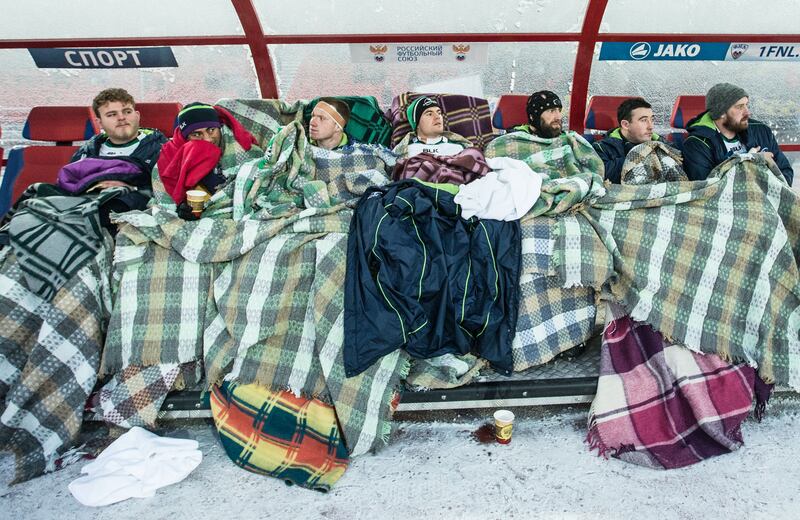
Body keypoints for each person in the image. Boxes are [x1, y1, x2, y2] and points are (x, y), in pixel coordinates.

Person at [156, 101, 262, 211]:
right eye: (196, 134)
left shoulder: (247, 151)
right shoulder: (169, 159)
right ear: (185, 138)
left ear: (219, 128)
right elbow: (163, 200)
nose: (207, 139)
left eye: (211, 130)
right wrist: (181, 208)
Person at [683, 83, 793, 184]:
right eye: (739, 107)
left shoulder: (761, 131)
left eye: (746, 105)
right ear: (720, 112)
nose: (747, 112)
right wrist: (750, 162)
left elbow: (785, 172)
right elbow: (706, 189)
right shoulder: (697, 144)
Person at [69, 87, 167, 190]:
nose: (121, 117)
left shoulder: (161, 149)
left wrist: (132, 189)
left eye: (127, 112)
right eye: (112, 114)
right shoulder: (86, 153)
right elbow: (69, 187)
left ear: (137, 116)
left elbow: (170, 194)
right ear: (100, 122)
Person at [593, 98, 661, 184]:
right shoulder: (601, 149)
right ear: (625, 125)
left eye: (652, 120)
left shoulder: (665, 146)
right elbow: (603, 178)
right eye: (644, 120)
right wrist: (641, 156)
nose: (650, 126)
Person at [394, 96, 470, 157]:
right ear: (417, 123)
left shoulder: (459, 149)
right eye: (429, 114)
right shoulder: (404, 152)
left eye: (439, 113)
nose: (437, 117)